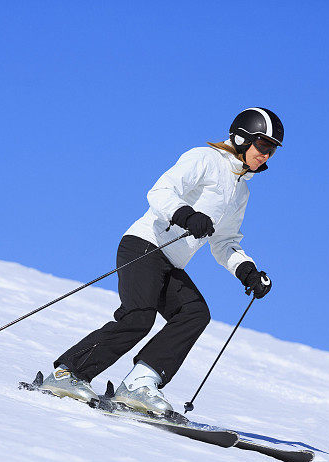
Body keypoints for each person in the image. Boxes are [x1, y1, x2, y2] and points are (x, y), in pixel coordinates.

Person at [39, 108, 283, 415]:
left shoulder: (240, 192)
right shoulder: (205, 159)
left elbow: (225, 242)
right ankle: (68, 374)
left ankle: (139, 384)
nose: (266, 154)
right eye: (263, 145)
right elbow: (161, 191)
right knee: (139, 317)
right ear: (242, 137)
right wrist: (186, 215)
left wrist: (247, 272)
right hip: (145, 245)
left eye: (272, 149)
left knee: (194, 313)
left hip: (171, 263)